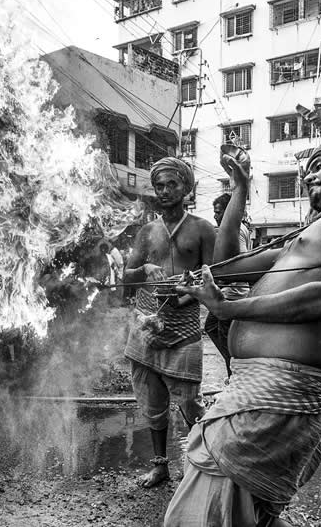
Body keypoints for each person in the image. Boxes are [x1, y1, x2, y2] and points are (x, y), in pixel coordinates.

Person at [164, 140, 321, 527]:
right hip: (254, 391)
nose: (308, 174)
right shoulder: (311, 232)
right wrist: (240, 188)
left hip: (282, 394)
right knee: (241, 513)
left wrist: (227, 308)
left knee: (206, 513)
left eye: (320, 164)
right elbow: (224, 267)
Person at [123, 157, 216, 488]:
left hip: (185, 329)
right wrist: (144, 270)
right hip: (147, 328)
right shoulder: (147, 231)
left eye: (171, 184)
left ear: (186, 188)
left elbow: (215, 279)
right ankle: (160, 466)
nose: (163, 191)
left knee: (191, 403)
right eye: (159, 185)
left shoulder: (203, 229)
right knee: (152, 401)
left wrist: (187, 295)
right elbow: (126, 279)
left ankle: (204, 464)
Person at [205, 193, 252, 377]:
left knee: (226, 340)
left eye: (218, 212)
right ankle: (235, 369)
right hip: (231, 290)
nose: (215, 216)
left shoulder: (235, 231)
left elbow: (240, 258)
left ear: (229, 211)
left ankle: (235, 375)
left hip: (232, 294)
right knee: (210, 326)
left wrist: (219, 276)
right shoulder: (235, 229)